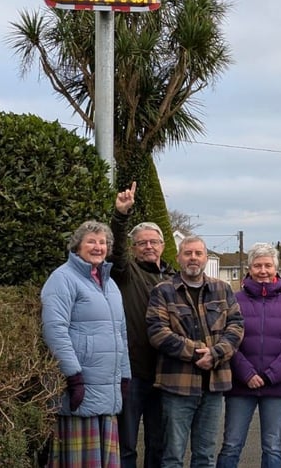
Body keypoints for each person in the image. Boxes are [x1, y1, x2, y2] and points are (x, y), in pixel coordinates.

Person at [147, 235, 244, 468]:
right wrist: (199, 352)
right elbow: (157, 332)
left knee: (205, 456)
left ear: (205, 258)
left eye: (198, 253)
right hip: (177, 386)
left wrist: (216, 353)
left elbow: (236, 326)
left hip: (214, 386)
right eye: (188, 253)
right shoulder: (163, 291)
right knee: (172, 457)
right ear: (179, 257)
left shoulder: (222, 289)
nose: (193, 258)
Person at [41, 220, 131, 467]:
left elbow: (120, 333)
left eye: (102, 242)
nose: (98, 247)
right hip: (79, 389)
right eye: (91, 241)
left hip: (107, 392)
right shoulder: (62, 279)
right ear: (77, 246)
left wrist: (124, 375)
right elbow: (54, 329)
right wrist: (74, 376)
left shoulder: (110, 284)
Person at [216, 242, 281, 468]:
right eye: (258, 265)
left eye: (268, 265)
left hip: (277, 385)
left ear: (275, 268)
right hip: (240, 384)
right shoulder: (234, 301)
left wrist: (268, 376)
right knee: (231, 444)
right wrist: (246, 373)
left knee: (273, 445)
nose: (263, 270)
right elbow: (226, 339)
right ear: (249, 268)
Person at [110, 181, 176, 468]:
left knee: (158, 444)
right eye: (142, 243)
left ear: (162, 245)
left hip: (166, 373)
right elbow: (117, 249)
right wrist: (121, 216)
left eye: (154, 242)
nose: (149, 246)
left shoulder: (174, 278)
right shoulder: (126, 273)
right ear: (134, 248)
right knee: (126, 444)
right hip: (133, 372)